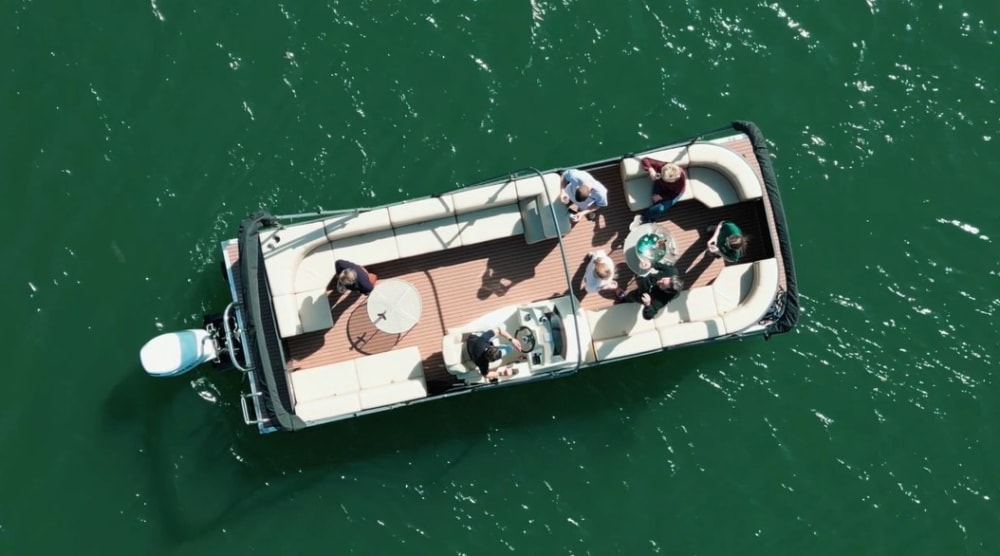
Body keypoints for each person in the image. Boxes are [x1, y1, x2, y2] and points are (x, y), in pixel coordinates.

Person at [615, 259, 684, 320]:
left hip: (644, 292)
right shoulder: (672, 271)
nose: (659, 282)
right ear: (670, 277)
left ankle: (624, 298)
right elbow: (659, 265)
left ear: (666, 290)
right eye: (663, 279)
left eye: (662, 285)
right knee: (642, 276)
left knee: (632, 296)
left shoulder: (661, 300)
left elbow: (648, 316)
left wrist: (647, 304)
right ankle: (640, 278)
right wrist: (651, 264)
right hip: (648, 279)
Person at [630, 159, 688, 230]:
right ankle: (651, 220)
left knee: (660, 208)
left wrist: (662, 197)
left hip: (674, 193)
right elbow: (645, 160)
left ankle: (644, 218)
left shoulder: (681, 179)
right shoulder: (662, 166)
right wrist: (651, 170)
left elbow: (675, 194)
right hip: (660, 185)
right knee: (656, 203)